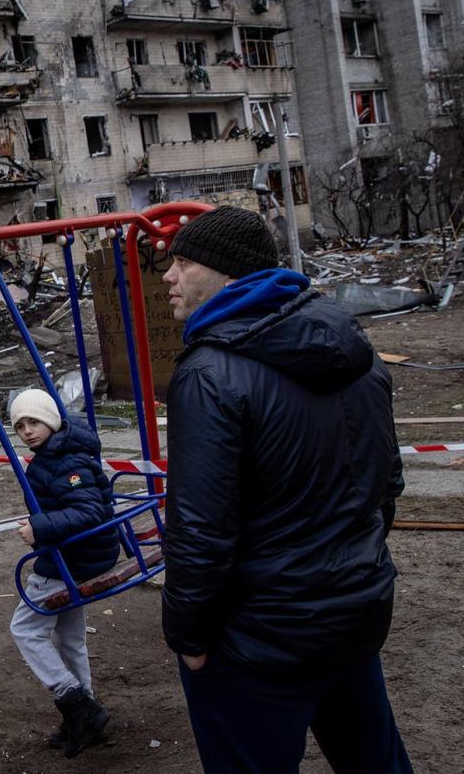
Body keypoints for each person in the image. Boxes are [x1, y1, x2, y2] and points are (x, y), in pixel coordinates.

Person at [159, 206, 413, 773]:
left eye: (182, 262)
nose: (168, 277)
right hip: (353, 614)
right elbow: (384, 487)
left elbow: (200, 532)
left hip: (257, 640)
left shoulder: (210, 373)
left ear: (226, 272)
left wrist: (188, 636)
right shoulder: (357, 352)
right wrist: (351, 571)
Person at [7, 388, 118, 759]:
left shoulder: (64, 462)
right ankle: (86, 718)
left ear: (51, 421)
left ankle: (76, 704)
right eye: (20, 425)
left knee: (25, 628)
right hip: (84, 553)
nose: (27, 431)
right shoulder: (59, 453)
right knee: (70, 637)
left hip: (75, 558)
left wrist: (40, 528)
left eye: (34, 421)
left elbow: (89, 512)